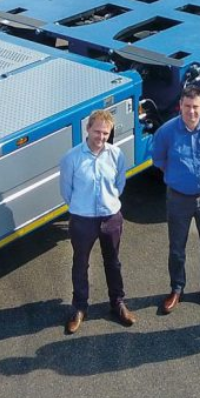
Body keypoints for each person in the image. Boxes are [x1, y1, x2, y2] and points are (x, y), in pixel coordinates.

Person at [151, 85, 200, 314]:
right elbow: (159, 161)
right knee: (177, 247)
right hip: (178, 198)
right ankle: (177, 288)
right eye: (187, 106)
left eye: (195, 106)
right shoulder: (166, 132)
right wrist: (179, 179)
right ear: (180, 106)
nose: (191, 111)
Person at [59, 108, 135, 335]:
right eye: (97, 132)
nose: (101, 137)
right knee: (80, 263)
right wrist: (82, 206)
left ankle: (117, 303)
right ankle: (79, 308)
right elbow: (66, 191)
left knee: (113, 262)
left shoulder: (116, 155)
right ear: (88, 129)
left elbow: (119, 185)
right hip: (82, 219)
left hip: (111, 217)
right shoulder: (71, 158)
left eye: (105, 133)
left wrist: (108, 202)